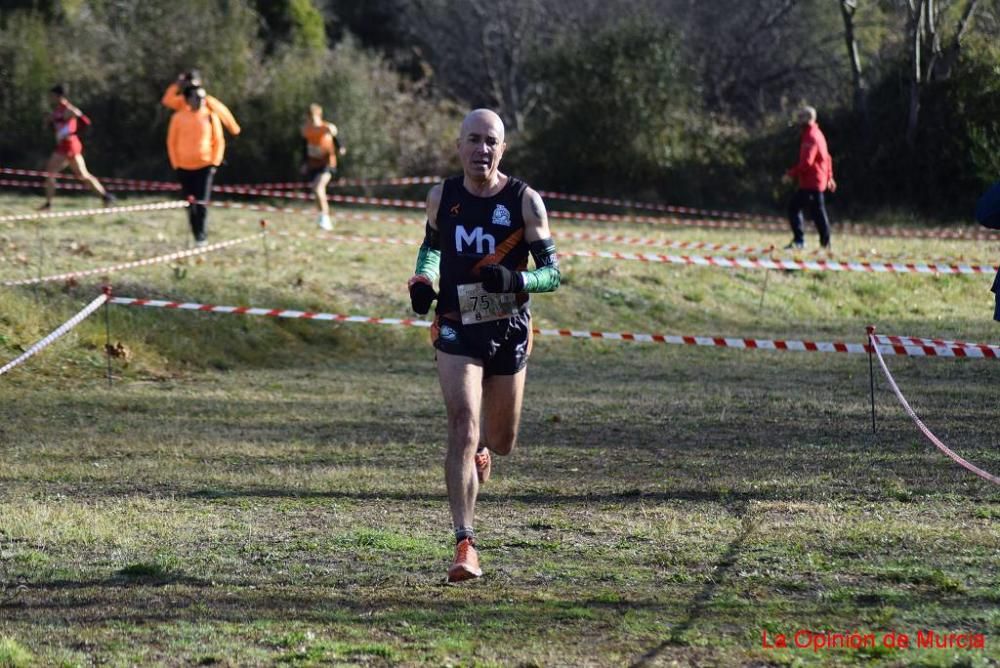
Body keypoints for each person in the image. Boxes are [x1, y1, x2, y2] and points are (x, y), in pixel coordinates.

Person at [407, 109, 561, 582]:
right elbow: (431, 247)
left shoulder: (524, 201)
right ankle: (464, 543)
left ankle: (484, 450)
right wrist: (424, 278)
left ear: (502, 148)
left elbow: (553, 274)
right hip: (456, 324)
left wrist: (518, 278)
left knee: (502, 440)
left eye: (490, 141)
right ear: (459, 146)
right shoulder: (443, 196)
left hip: (508, 328)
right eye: (473, 140)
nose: (482, 150)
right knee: (462, 423)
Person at [165, 84, 241, 244]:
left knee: (202, 202)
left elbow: (219, 141)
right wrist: (175, 164)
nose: (201, 100)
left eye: (202, 97)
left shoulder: (210, 116)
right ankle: (195, 233)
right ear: (187, 99)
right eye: (197, 97)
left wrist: (215, 162)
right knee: (189, 204)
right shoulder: (178, 117)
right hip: (183, 167)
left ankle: (202, 237)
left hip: (205, 166)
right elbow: (171, 142)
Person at [40, 84, 115, 210]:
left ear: (59, 96)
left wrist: (73, 133)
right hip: (67, 145)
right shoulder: (57, 110)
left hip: (68, 144)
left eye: (52, 96)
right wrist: (50, 122)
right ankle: (106, 197)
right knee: (83, 175)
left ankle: (48, 204)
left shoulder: (69, 109)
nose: (50, 98)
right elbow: (57, 124)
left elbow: (85, 121)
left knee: (50, 173)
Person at [783, 105, 836, 250]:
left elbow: (807, 163)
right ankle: (825, 244)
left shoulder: (810, 136)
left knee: (794, 208)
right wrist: (830, 176)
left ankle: (800, 241)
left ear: (808, 118)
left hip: (811, 182)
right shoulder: (818, 133)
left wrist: (791, 174)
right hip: (817, 180)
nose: (798, 120)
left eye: (801, 117)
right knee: (818, 212)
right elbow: (827, 157)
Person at [301, 104, 346, 231]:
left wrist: (340, 147)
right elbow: (304, 147)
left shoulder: (327, 127)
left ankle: (325, 218)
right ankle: (323, 217)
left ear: (319, 115)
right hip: (313, 164)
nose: (311, 119)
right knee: (317, 191)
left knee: (318, 187)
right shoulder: (306, 130)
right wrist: (304, 163)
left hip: (327, 163)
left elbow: (336, 139)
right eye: (309, 117)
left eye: (313, 116)